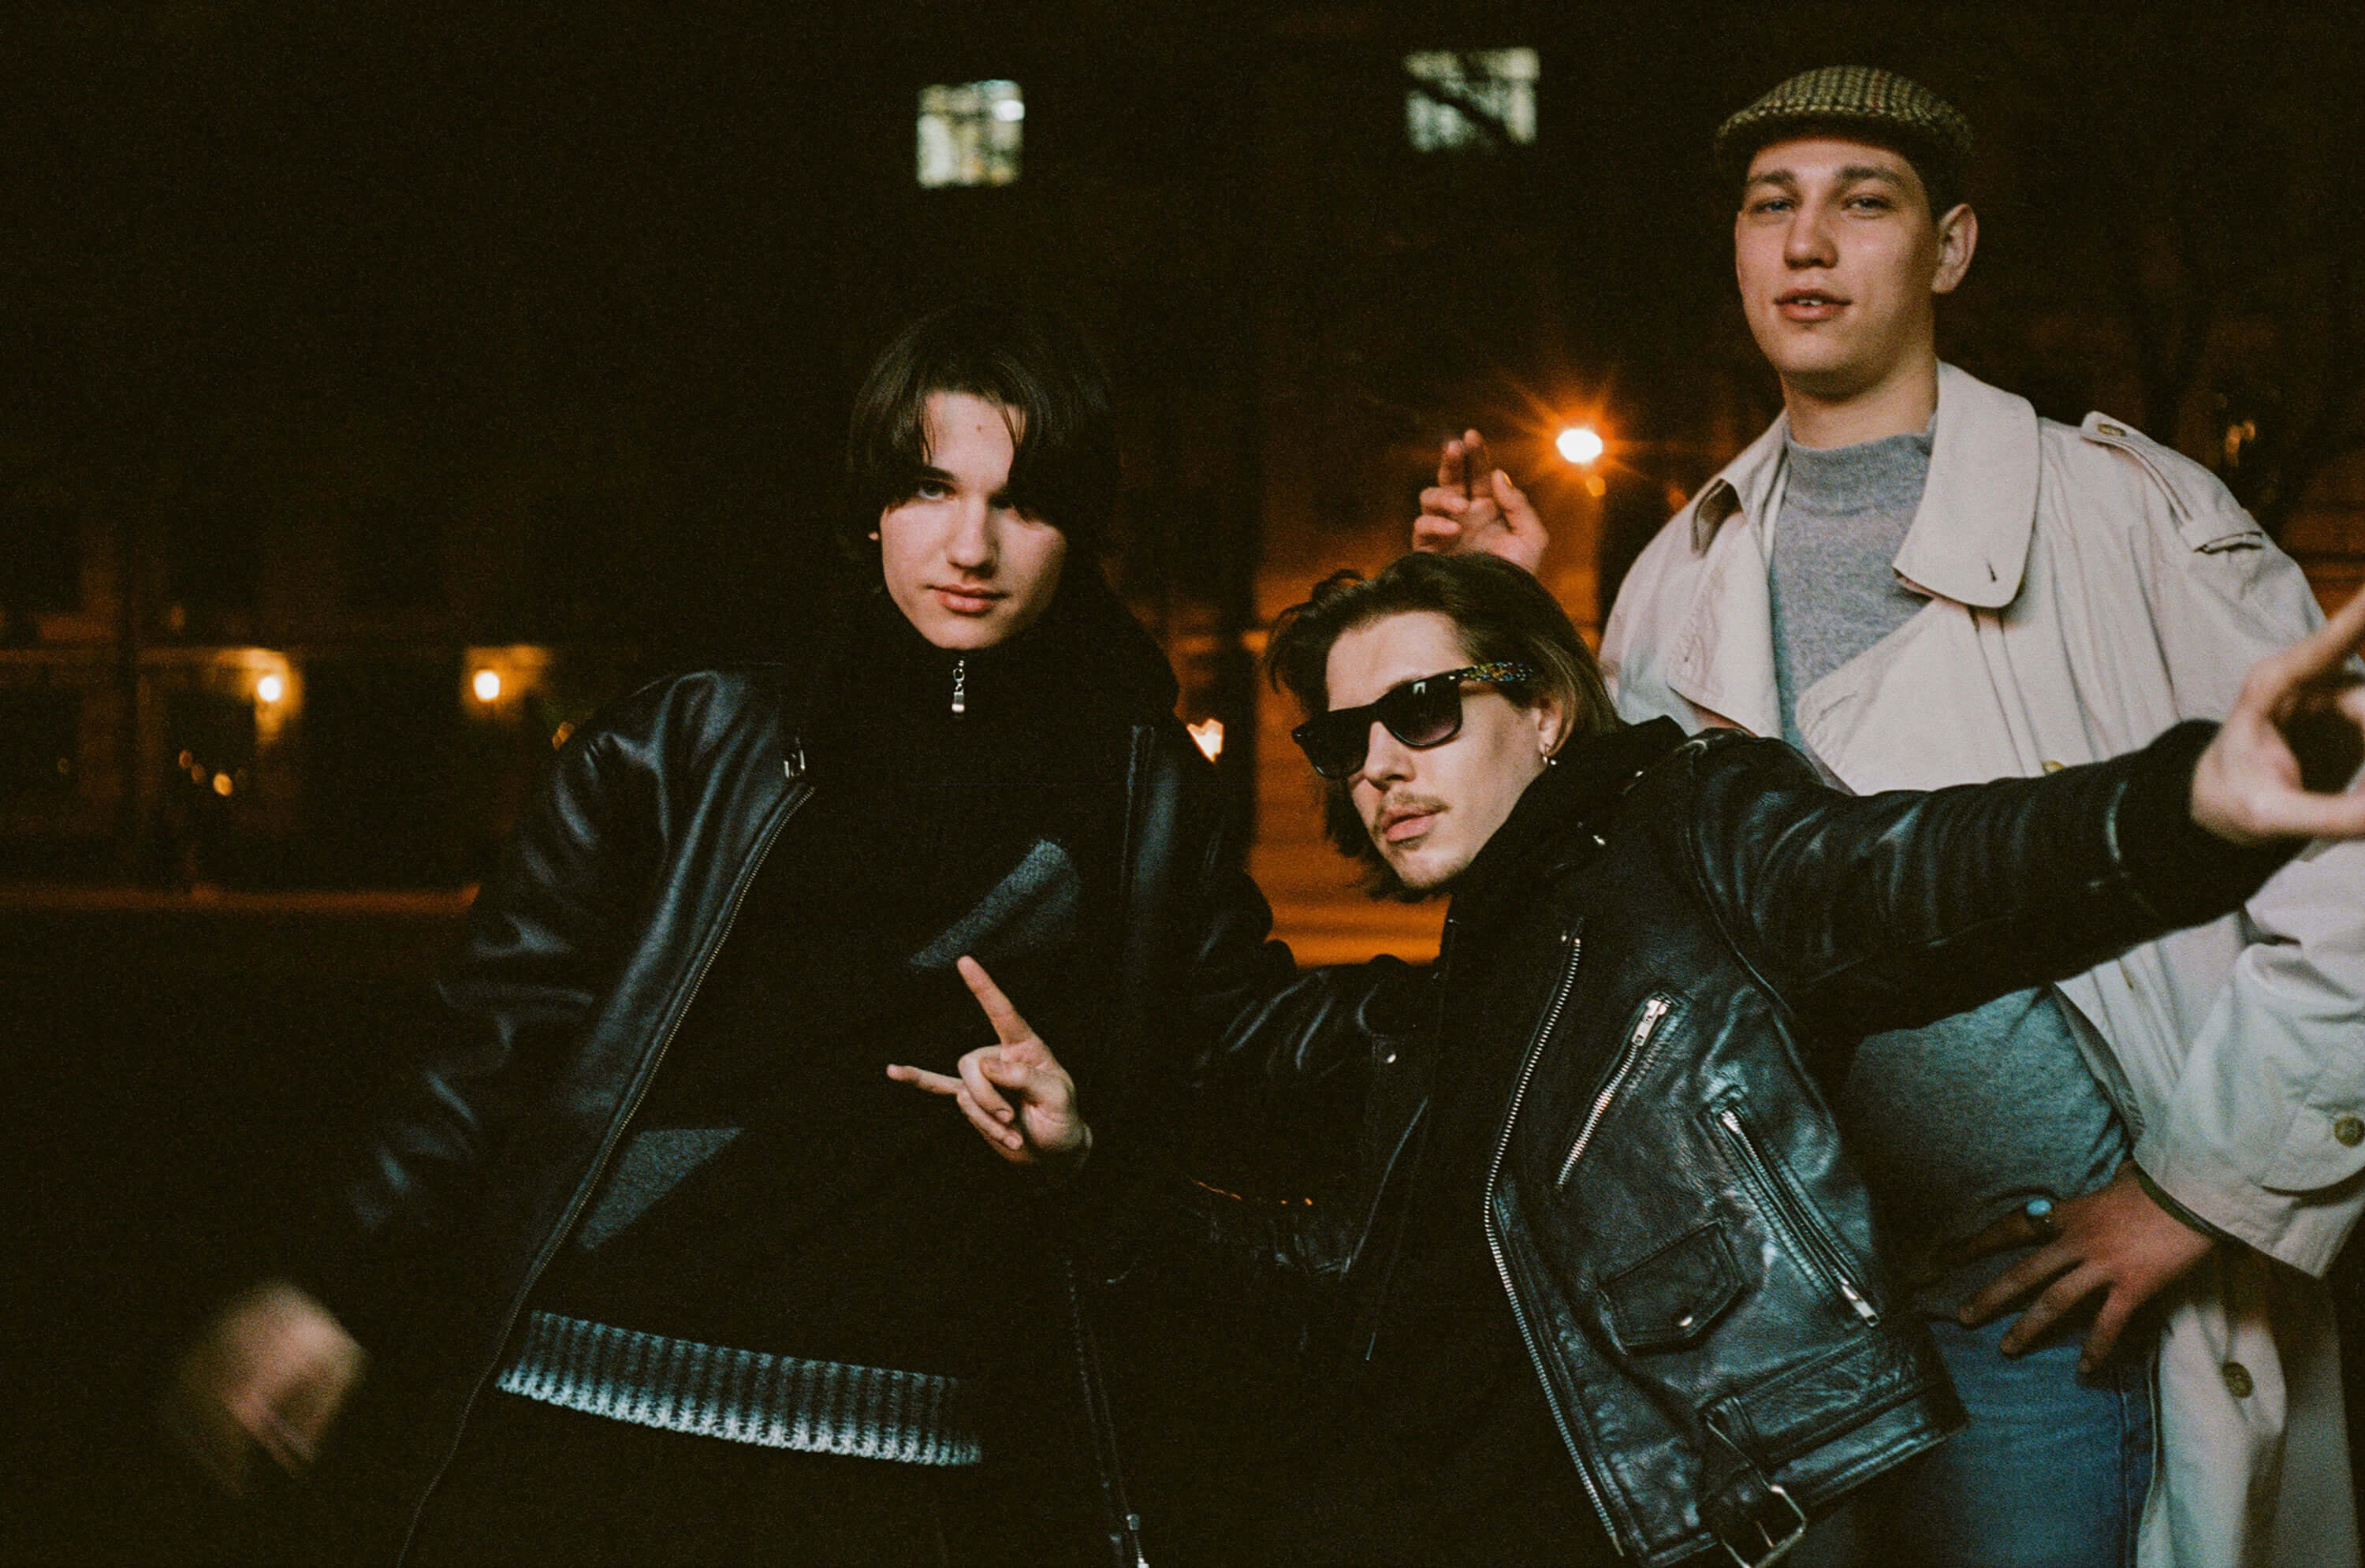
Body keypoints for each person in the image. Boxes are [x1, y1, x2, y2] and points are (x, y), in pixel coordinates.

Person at [161, 302, 1342, 1566]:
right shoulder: (692, 737)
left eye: (1025, 502)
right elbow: (490, 1040)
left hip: (898, 1454)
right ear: (875, 504)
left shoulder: (1138, 786)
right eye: (932, 487)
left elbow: (1251, 1044)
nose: (972, 543)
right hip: (583, 1408)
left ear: (1079, 530)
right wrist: (337, 1281)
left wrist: (1090, 1137)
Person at [911, 549, 2365, 1568]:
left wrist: (2190, 809)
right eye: (1345, 737)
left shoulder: (1685, 831)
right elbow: (1335, 1271)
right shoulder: (1453, 1002)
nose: (1382, 766)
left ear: (1541, 707)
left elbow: (1906, 878)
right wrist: (1089, 1172)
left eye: (1424, 709)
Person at [1415, 65, 2365, 1567]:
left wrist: (2201, 1189)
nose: (1807, 244)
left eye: (1864, 203)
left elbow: (2349, 868)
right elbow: (1639, 898)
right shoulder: (1677, 569)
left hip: (2038, 1298)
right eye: (1770, 206)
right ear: (1734, 250)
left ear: (1951, 248)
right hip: (1787, 1306)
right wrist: (1521, 630)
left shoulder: (2130, 515)